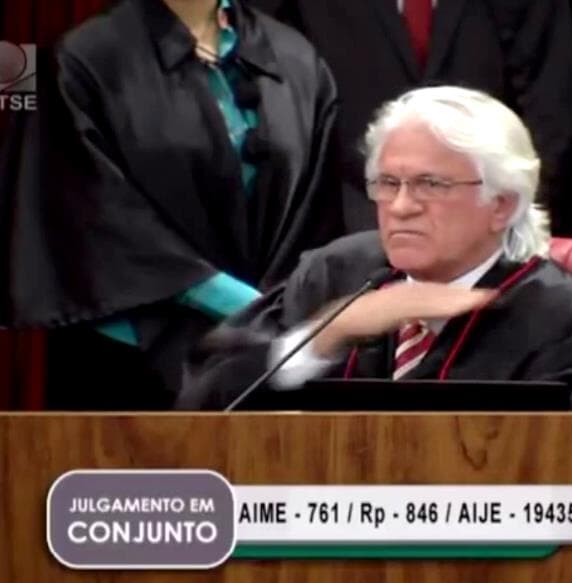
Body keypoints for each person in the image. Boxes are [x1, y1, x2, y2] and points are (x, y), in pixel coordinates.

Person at [179, 86, 572, 411]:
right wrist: (325, 337)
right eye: (388, 183)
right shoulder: (332, 276)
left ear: (502, 204)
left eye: (431, 184)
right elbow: (201, 405)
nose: (402, 206)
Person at [0, 0, 343, 408]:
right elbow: (85, 216)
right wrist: (247, 306)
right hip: (132, 363)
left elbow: (314, 214)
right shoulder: (78, 58)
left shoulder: (296, 58)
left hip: (275, 357)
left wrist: (286, 314)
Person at [252, 0, 572, 239]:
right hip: (347, 239)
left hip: (496, 238)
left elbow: (558, 118)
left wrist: (493, 228)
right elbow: (281, 116)